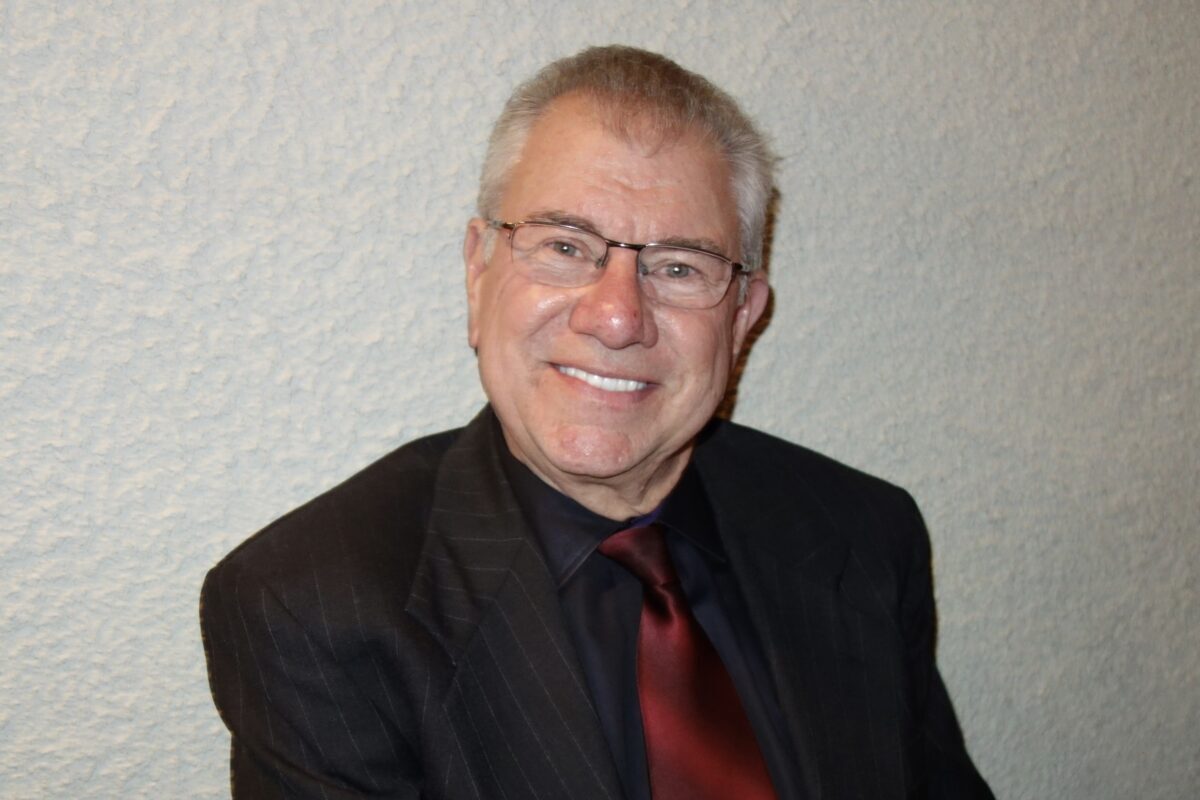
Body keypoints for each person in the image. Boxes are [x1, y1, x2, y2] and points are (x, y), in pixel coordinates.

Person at [201, 45, 993, 799]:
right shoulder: (311, 608)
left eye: (678, 267)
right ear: (479, 272)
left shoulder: (863, 533)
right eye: (565, 246)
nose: (617, 317)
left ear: (743, 316)